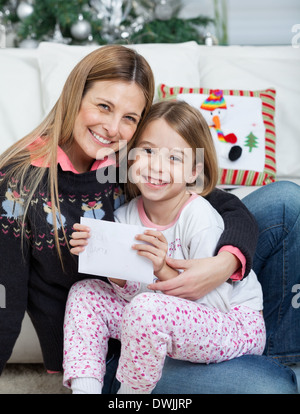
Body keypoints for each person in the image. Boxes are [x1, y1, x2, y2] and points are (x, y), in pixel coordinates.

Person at [0, 44, 298, 393]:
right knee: (271, 388)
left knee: (286, 201)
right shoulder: (19, 182)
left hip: (193, 313)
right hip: (113, 348)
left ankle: (267, 354)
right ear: (74, 97)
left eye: (130, 118)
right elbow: (5, 293)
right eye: (103, 106)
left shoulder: (130, 157)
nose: (112, 128)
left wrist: (223, 264)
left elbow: (221, 204)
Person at [64, 101, 267, 394]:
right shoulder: (125, 216)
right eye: (147, 151)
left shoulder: (200, 218)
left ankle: (130, 396)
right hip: (157, 322)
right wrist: (111, 266)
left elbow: (215, 304)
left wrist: (162, 269)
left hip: (231, 324)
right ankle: (86, 390)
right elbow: (133, 294)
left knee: (147, 308)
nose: (156, 166)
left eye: (174, 158)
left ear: (192, 172)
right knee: (85, 294)